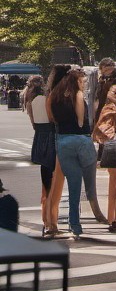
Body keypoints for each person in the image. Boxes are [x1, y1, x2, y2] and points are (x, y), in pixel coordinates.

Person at [48, 67, 96, 239]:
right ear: (76, 81)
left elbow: (53, 119)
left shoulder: (54, 96)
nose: (83, 85)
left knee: (73, 183)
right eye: (82, 81)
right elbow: (81, 120)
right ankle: (84, 216)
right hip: (80, 139)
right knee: (87, 179)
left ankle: (74, 224)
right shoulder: (78, 95)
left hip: (62, 140)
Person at [93, 73, 116, 232]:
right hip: (114, 146)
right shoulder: (108, 108)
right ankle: (113, 219)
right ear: (107, 93)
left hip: (115, 146)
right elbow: (103, 127)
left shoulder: (111, 106)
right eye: (115, 92)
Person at [23, 74, 60, 237]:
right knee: (53, 180)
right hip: (50, 137)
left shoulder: (30, 102)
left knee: (45, 181)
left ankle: (45, 220)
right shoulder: (47, 99)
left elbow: (33, 124)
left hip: (39, 138)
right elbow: (53, 119)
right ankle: (51, 221)